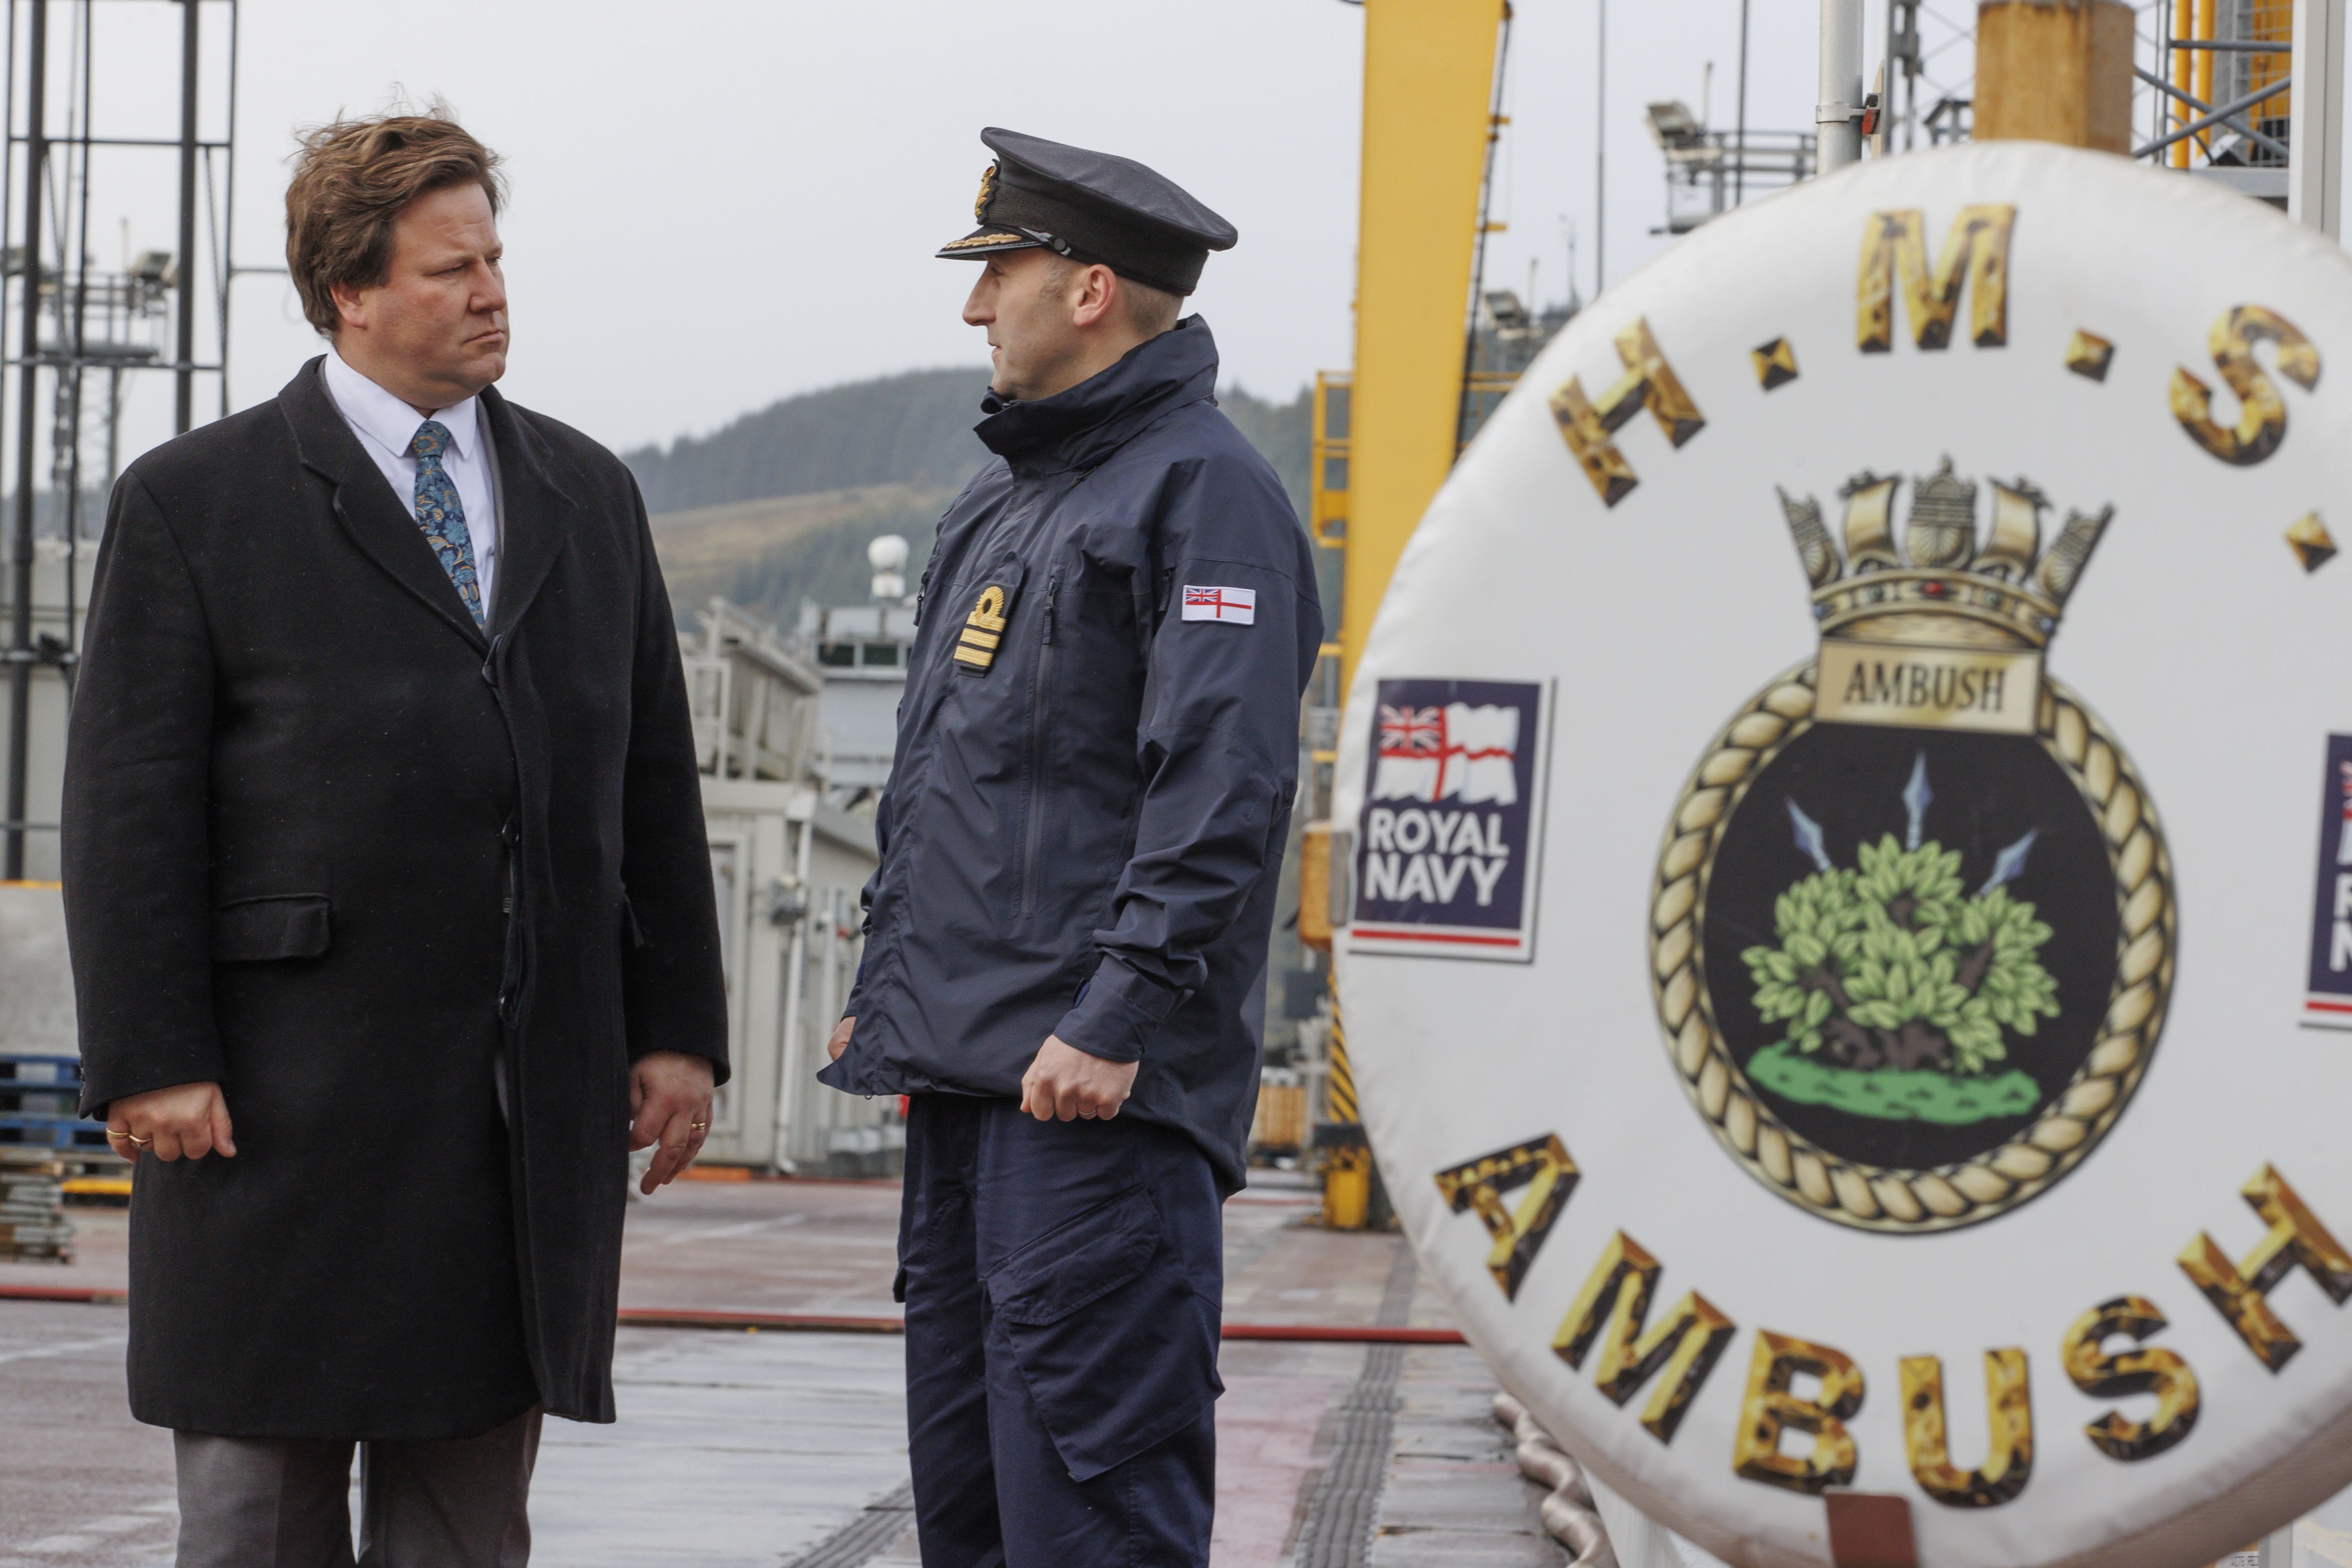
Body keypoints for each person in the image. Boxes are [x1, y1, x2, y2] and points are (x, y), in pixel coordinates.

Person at [59, 107, 728, 1567]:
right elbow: (128, 803)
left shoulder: (586, 497)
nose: (493, 294)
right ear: (347, 289)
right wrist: (151, 1052)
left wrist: (679, 1030)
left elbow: (651, 788)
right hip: (277, 1111)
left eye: (494, 259)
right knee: (255, 1519)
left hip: (511, 1122)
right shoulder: (196, 502)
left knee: (465, 1527)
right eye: (451, 269)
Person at [819, 127, 1322, 1565]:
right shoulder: (1005, 500)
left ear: (1089, 288)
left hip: (1092, 1108)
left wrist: (1116, 1016)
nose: (976, 308)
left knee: (1092, 1520)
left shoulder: (1200, 494)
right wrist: (888, 987)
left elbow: (1222, 787)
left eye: (999, 273)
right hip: (976, 1087)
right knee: (973, 1519)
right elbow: (948, 780)